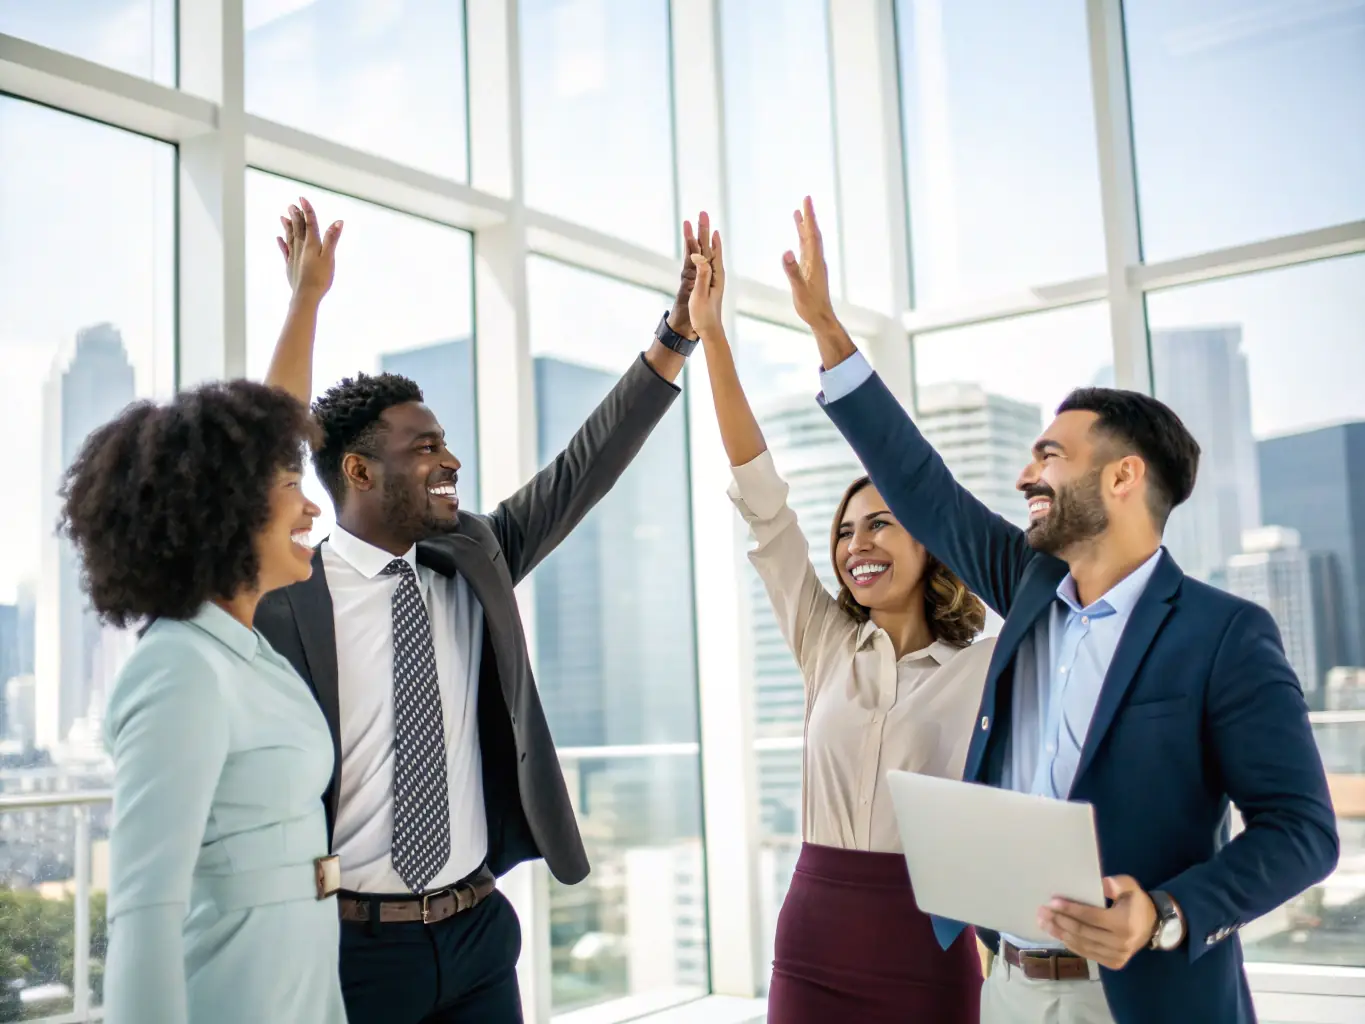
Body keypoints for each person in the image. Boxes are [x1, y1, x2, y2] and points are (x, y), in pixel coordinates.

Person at [774, 197, 1339, 1023]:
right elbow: (920, 485)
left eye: (1049, 456)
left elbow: (1300, 831)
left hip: (1139, 998)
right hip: (1006, 989)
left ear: (1122, 478)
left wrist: (1163, 914)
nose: (1024, 477)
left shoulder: (1222, 634)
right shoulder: (1027, 587)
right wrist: (826, 329)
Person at [252, 212, 706, 1024]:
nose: (448, 460)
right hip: (352, 949)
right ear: (356, 470)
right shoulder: (287, 601)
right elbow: (255, 469)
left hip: (478, 935)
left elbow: (580, 472)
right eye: (423, 447)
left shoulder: (474, 554)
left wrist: (674, 337)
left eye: (445, 442)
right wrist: (307, 303)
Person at [685, 217, 990, 1022]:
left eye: (881, 523)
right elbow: (759, 491)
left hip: (928, 937)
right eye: (845, 531)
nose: (857, 544)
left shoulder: (984, 664)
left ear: (929, 541)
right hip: (815, 932)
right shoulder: (824, 642)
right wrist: (712, 336)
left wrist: (825, 323)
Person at [66, 198, 344, 1024]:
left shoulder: (248, 652)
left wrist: (304, 304)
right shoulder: (181, 668)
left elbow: (262, 445)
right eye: (294, 494)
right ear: (227, 515)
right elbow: (144, 914)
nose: (313, 512)